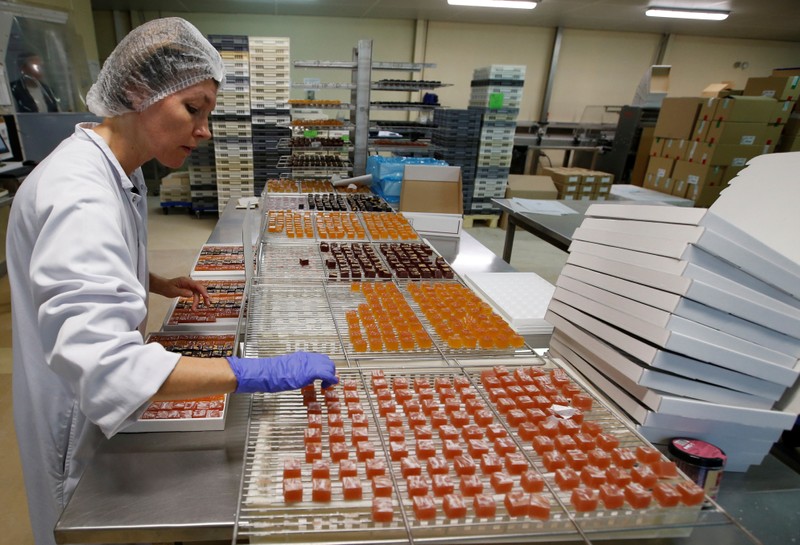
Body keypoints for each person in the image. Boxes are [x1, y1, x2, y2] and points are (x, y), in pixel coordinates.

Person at [6, 17, 338, 545]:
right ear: (138, 92)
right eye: (193, 109)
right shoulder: (79, 194)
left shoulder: (117, 164)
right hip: (77, 415)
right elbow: (107, 365)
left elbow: (82, 265)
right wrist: (252, 373)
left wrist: (150, 280)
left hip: (82, 390)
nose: (204, 130)